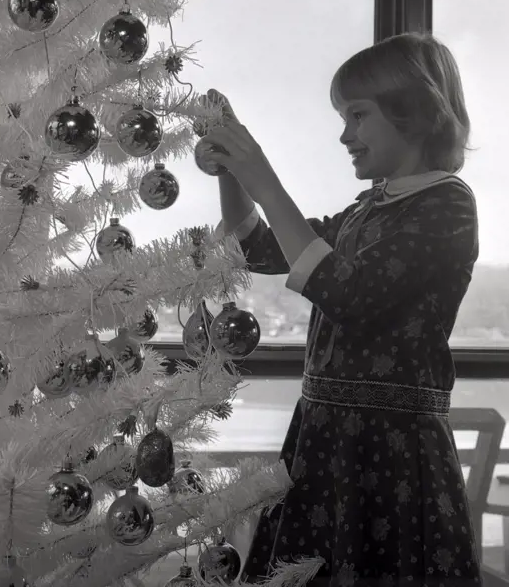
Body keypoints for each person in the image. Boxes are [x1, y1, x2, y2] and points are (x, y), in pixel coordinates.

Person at [200, 32, 482, 586]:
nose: (344, 134)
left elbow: (349, 294)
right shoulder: (364, 211)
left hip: (393, 451)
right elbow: (258, 248)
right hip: (326, 439)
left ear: (416, 113)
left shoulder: (448, 203)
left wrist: (263, 175)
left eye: (357, 115)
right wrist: (234, 172)